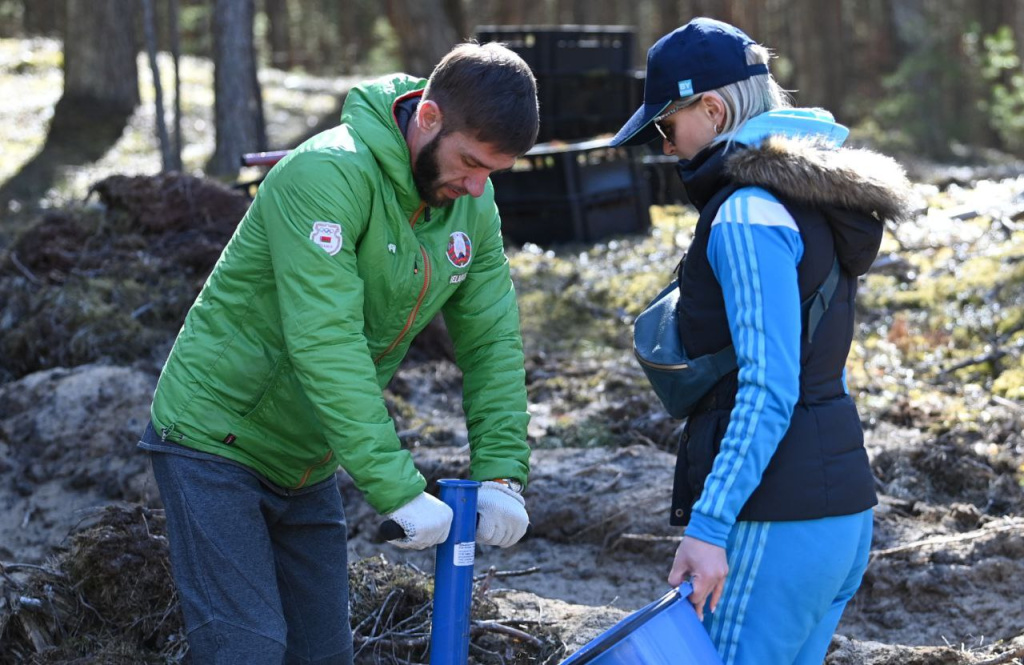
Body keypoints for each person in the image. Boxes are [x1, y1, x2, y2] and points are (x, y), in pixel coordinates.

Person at [138, 42, 538, 664]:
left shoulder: (470, 203)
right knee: (246, 648)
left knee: (322, 655)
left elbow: (491, 339)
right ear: (428, 117)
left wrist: (503, 470)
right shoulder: (326, 174)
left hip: (306, 458)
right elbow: (324, 343)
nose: (477, 186)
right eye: (469, 163)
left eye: (493, 172)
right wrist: (397, 488)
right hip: (215, 440)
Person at [610, 18, 911, 665]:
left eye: (667, 126)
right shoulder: (812, 201)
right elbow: (818, 364)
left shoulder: (748, 212)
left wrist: (709, 526)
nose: (666, 147)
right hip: (838, 515)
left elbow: (772, 386)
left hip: (776, 521)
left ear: (712, 109)